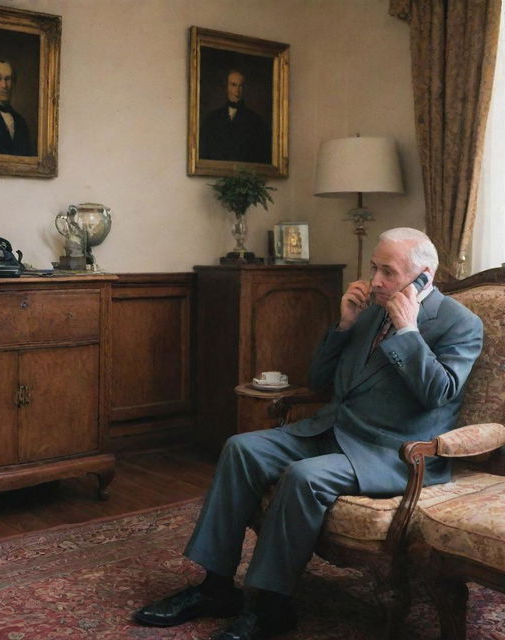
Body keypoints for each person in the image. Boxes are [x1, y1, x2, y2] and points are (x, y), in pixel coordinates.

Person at [134, 227, 483, 640]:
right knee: (241, 448)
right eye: (373, 268)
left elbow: (437, 393)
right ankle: (215, 588)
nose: (374, 282)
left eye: (387, 272)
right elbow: (319, 381)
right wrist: (343, 324)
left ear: (422, 274)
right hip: (334, 429)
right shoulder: (371, 310)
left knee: (304, 477)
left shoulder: (460, 324)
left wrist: (408, 332)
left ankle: (269, 608)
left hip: (392, 451)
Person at [199, 70, 271, 164]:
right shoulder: (212, 118)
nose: (237, 90)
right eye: (233, 85)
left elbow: (262, 156)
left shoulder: (256, 121)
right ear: (226, 87)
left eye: (240, 86)